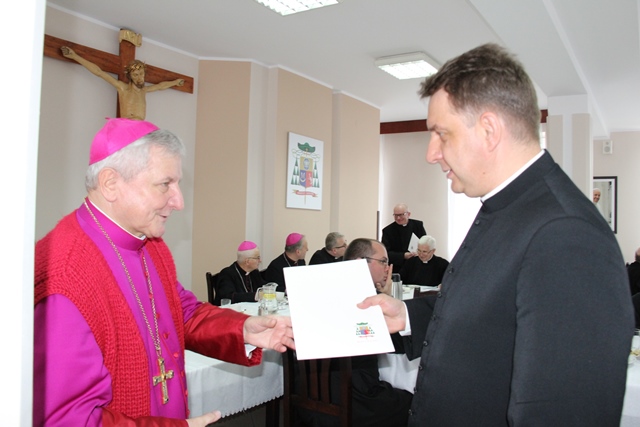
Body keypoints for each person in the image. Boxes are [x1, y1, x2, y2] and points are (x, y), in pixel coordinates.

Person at [358, 43, 634, 426]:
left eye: (441, 134)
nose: (431, 153)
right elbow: (489, 309)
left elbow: (560, 410)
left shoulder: (567, 234)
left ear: (489, 130)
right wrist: (405, 314)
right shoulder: (509, 205)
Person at [33, 118, 295, 426]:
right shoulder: (63, 276)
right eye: (164, 184)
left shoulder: (149, 243)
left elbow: (180, 312)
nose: (179, 201)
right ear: (110, 183)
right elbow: (68, 419)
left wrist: (242, 330)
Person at [298, 238, 411, 427]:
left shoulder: (322, 290)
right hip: (354, 400)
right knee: (415, 403)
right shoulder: (366, 302)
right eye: (383, 262)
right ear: (360, 263)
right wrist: (387, 297)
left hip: (307, 397)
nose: (387, 268)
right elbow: (398, 345)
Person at [61, 46, 185, 120]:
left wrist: (175, 82)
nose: (140, 78)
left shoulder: (144, 90)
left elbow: (160, 86)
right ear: (130, 77)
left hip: (141, 129)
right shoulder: (123, 88)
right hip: (126, 126)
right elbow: (99, 72)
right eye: (136, 75)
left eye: (141, 74)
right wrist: (75, 56)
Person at [215, 241, 265, 305]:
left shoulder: (254, 272)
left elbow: (263, 286)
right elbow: (229, 296)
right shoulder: (227, 274)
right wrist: (255, 296)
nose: (260, 261)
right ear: (247, 261)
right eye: (257, 258)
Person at [381, 203, 426, 273]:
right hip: (398, 268)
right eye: (396, 215)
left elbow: (425, 243)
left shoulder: (418, 225)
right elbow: (385, 253)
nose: (398, 218)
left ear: (408, 214)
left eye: (401, 215)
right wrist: (403, 256)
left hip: (417, 266)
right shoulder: (388, 230)